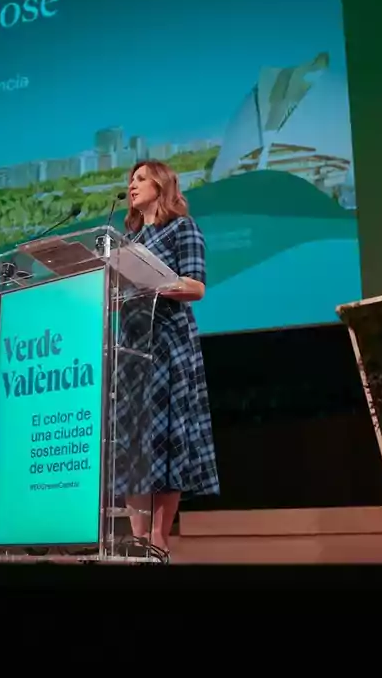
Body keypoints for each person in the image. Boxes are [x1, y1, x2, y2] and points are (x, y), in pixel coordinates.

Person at [114, 160, 220, 557]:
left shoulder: (181, 228)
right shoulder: (129, 240)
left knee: (165, 437)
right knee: (134, 442)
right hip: (130, 348)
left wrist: (153, 281)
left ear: (161, 185)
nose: (132, 185)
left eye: (141, 179)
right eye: (130, 180)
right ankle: (137, 540)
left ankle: (158, 540)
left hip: (167, 345)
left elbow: (196, 287)